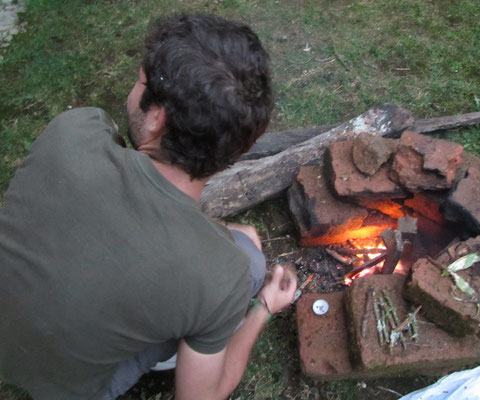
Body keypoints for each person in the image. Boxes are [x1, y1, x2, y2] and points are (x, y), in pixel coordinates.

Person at [0, 14, 297, 400]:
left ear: (158, 119)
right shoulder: (222, 277)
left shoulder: (75, 130)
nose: (132, 90)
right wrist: (263, 310)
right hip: (66, 389)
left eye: (139, 82)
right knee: (251, 262)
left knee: (235, 249)